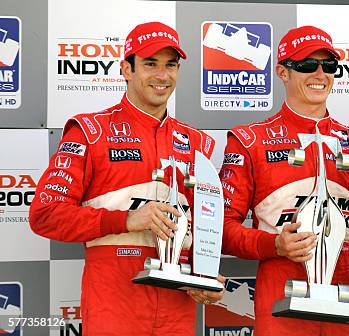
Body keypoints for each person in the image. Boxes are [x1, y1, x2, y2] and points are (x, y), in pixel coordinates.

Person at [29, 22, 224, 335]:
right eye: (150, 64)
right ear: (126, 69)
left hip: (177, 309)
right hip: (115, 303)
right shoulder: (90, 132)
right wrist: (127, 220)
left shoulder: (198, 142)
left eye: (170, 65)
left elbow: (205, 229)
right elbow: (45, 215)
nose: (162, 75)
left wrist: (204, 277)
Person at [219, 25, 349, 336]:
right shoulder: (250, 140)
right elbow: (218, 228)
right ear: (282, 72)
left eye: (329, 66)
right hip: (282, 284)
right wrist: (274, 244)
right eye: (305, 65)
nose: (320, 74)